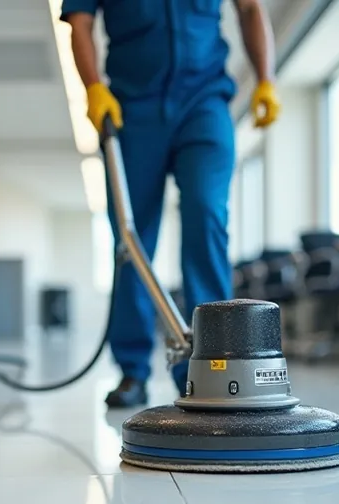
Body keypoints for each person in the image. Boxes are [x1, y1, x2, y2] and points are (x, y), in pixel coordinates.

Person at [61, 0, 280, 408]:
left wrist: (266, 78)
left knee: (207, 213)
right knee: (132, 239)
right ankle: (132, 370)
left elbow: (250, 8)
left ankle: (214, 363)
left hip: (204, 101)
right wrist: (93, 86)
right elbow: (79, 22)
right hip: (130, 109)